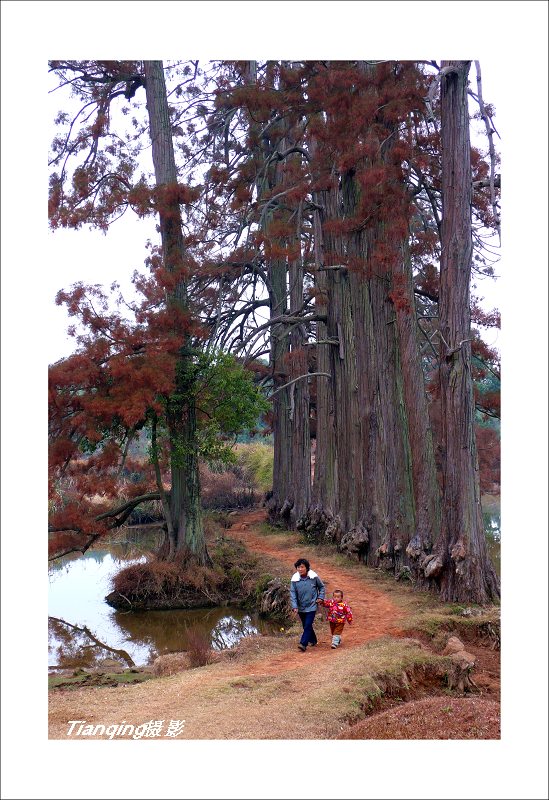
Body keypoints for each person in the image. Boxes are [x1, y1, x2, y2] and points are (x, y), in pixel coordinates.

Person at [289, 558, 326, 652]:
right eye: (298, 567)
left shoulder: (314, 577)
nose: (300, 569)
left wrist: (320, 598)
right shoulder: (294, 580)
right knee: (306, 625)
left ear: (307, 568)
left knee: (308, 624)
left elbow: (321, 587)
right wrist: (294, 606)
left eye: (302, 567)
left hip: (312, 605)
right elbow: (293, 594)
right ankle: (313, 640)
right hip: (301, 606)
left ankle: (303, 644)